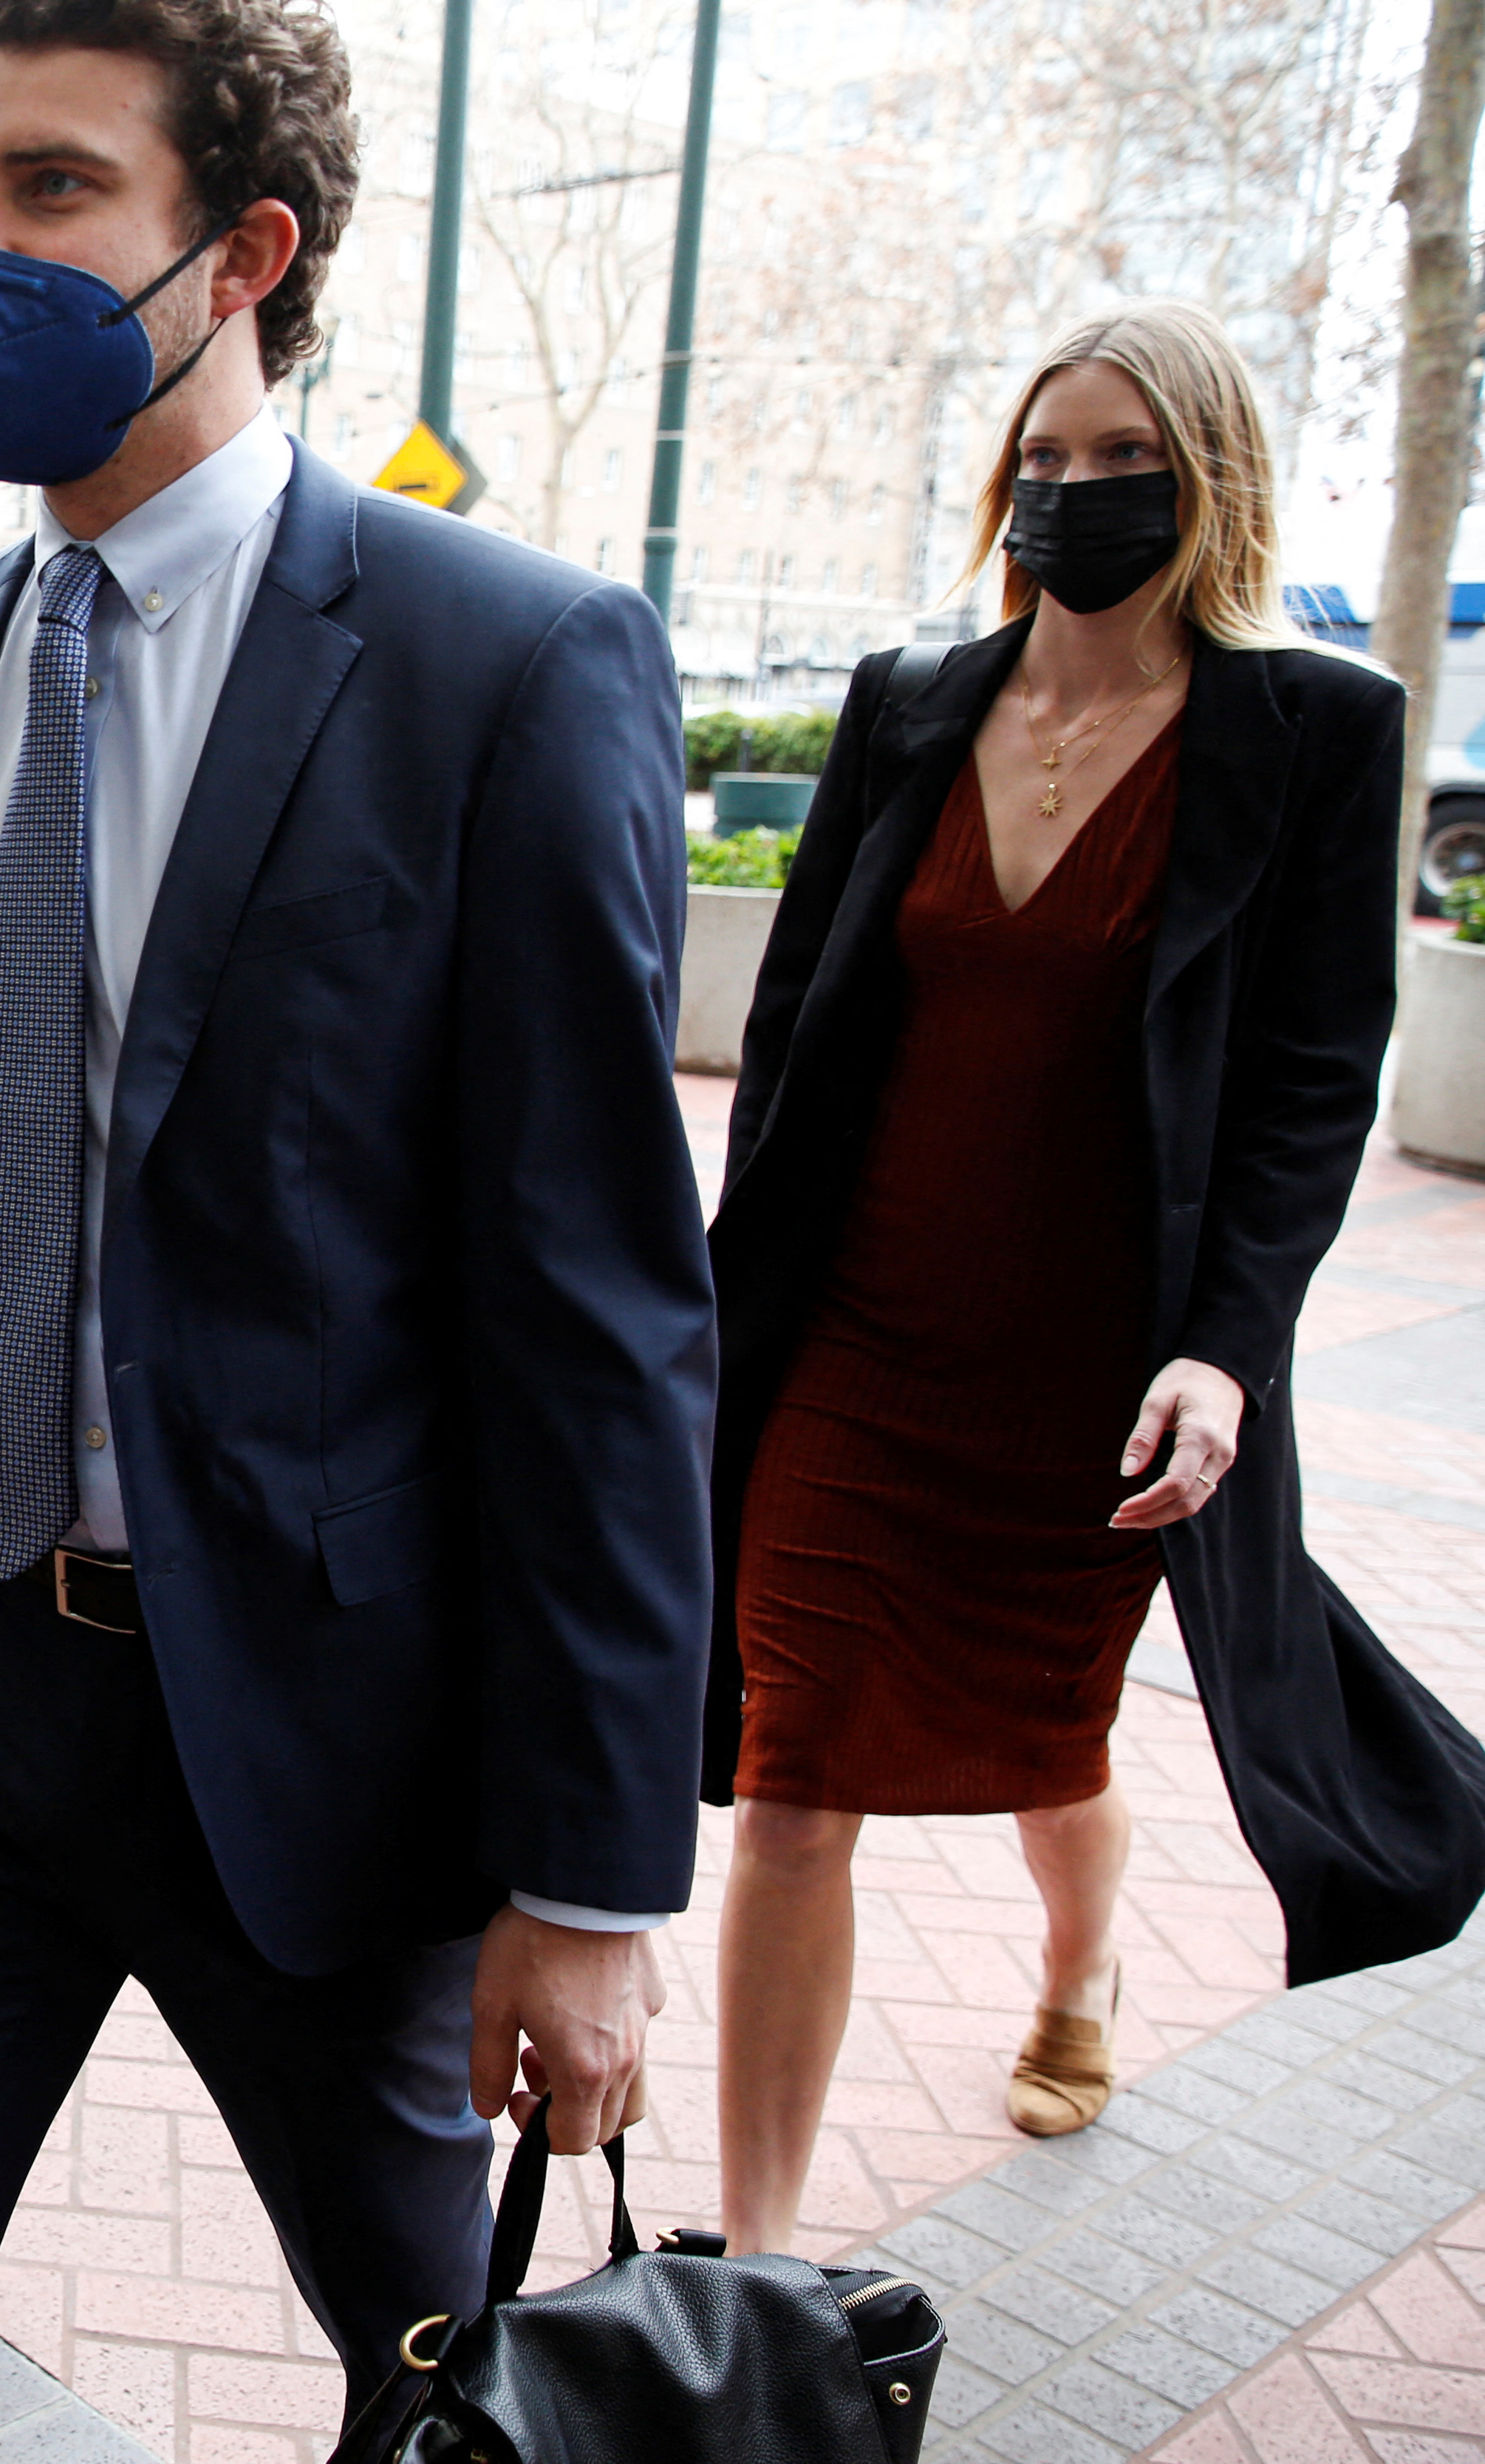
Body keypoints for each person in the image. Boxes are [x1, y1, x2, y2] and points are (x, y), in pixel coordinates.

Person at [0, 1, 719, 2451]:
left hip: (312, 1731)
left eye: (51, 191)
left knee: (458, 2388)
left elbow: (601, 1320)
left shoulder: (506, 666)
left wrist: (587, 1885)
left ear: (241, 252)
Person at [710, 301, 1485, 2255]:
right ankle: (764, 2265)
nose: (1069, 495)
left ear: (1203, 478)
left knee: (1049, 1739)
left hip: (1103, 1373)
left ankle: (1079, 1975)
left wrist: (1229, 1352)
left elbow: (1315, 1082)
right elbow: (801, 1028)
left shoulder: (1313, 733)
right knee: (796, 1778)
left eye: (1117, 460)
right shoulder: (911, 703)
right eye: (1041, 463)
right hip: (857, 1343)